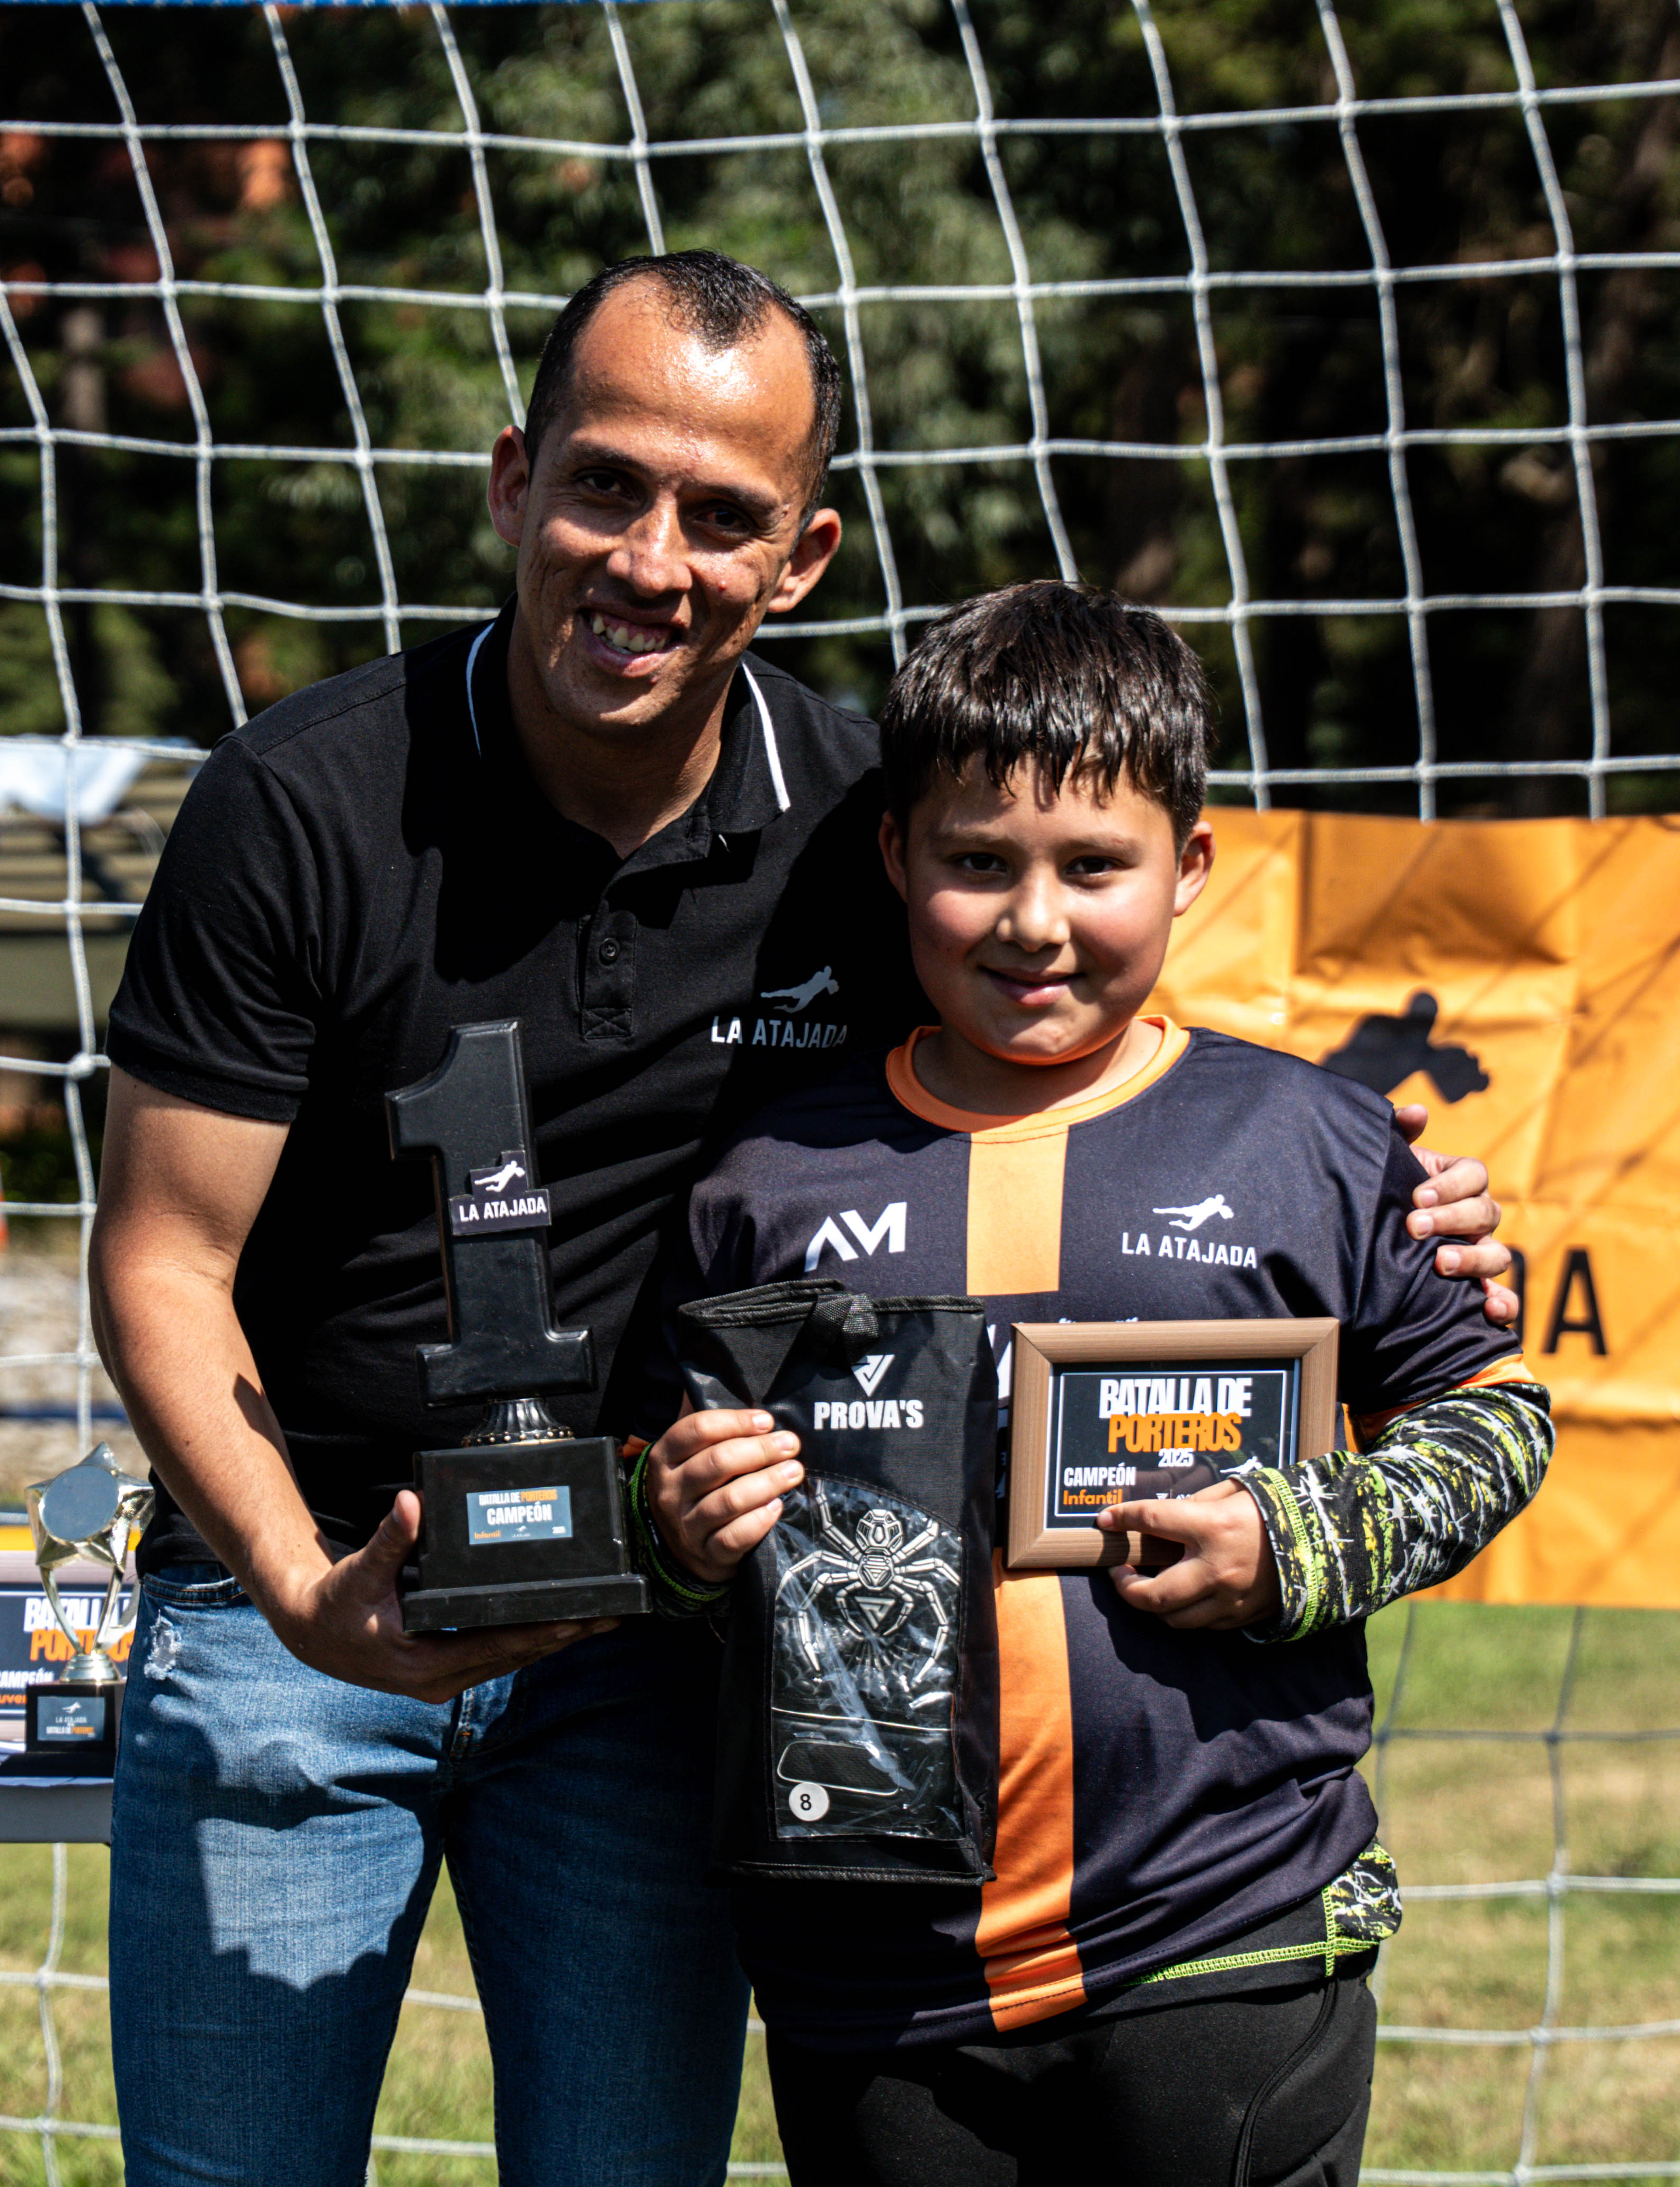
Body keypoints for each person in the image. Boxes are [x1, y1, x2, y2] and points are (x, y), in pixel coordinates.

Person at [90, 252, 1518, 2187]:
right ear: (511, 481)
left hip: (652, 1629)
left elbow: (1088, 1023)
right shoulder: (299, 801)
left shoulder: (866, 825)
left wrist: (1385, 1202)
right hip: (305, 1591)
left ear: (807, 552)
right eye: (603, 484)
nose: (648, 556)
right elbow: (160, 1255)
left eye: (721, 515)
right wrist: (293, 1582)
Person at [643, 580, 1554, 2186]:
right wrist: (683, 1530)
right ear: (896, 862)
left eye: (1095, 864)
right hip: (877, 1972)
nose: (1036, 918)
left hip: (1230, 1930)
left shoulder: (1312, 1144)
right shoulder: (764, 1178)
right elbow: (667, 1493)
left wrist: (1307, 1538)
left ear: (1189, 865)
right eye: (979, 861)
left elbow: (1494, 1415)